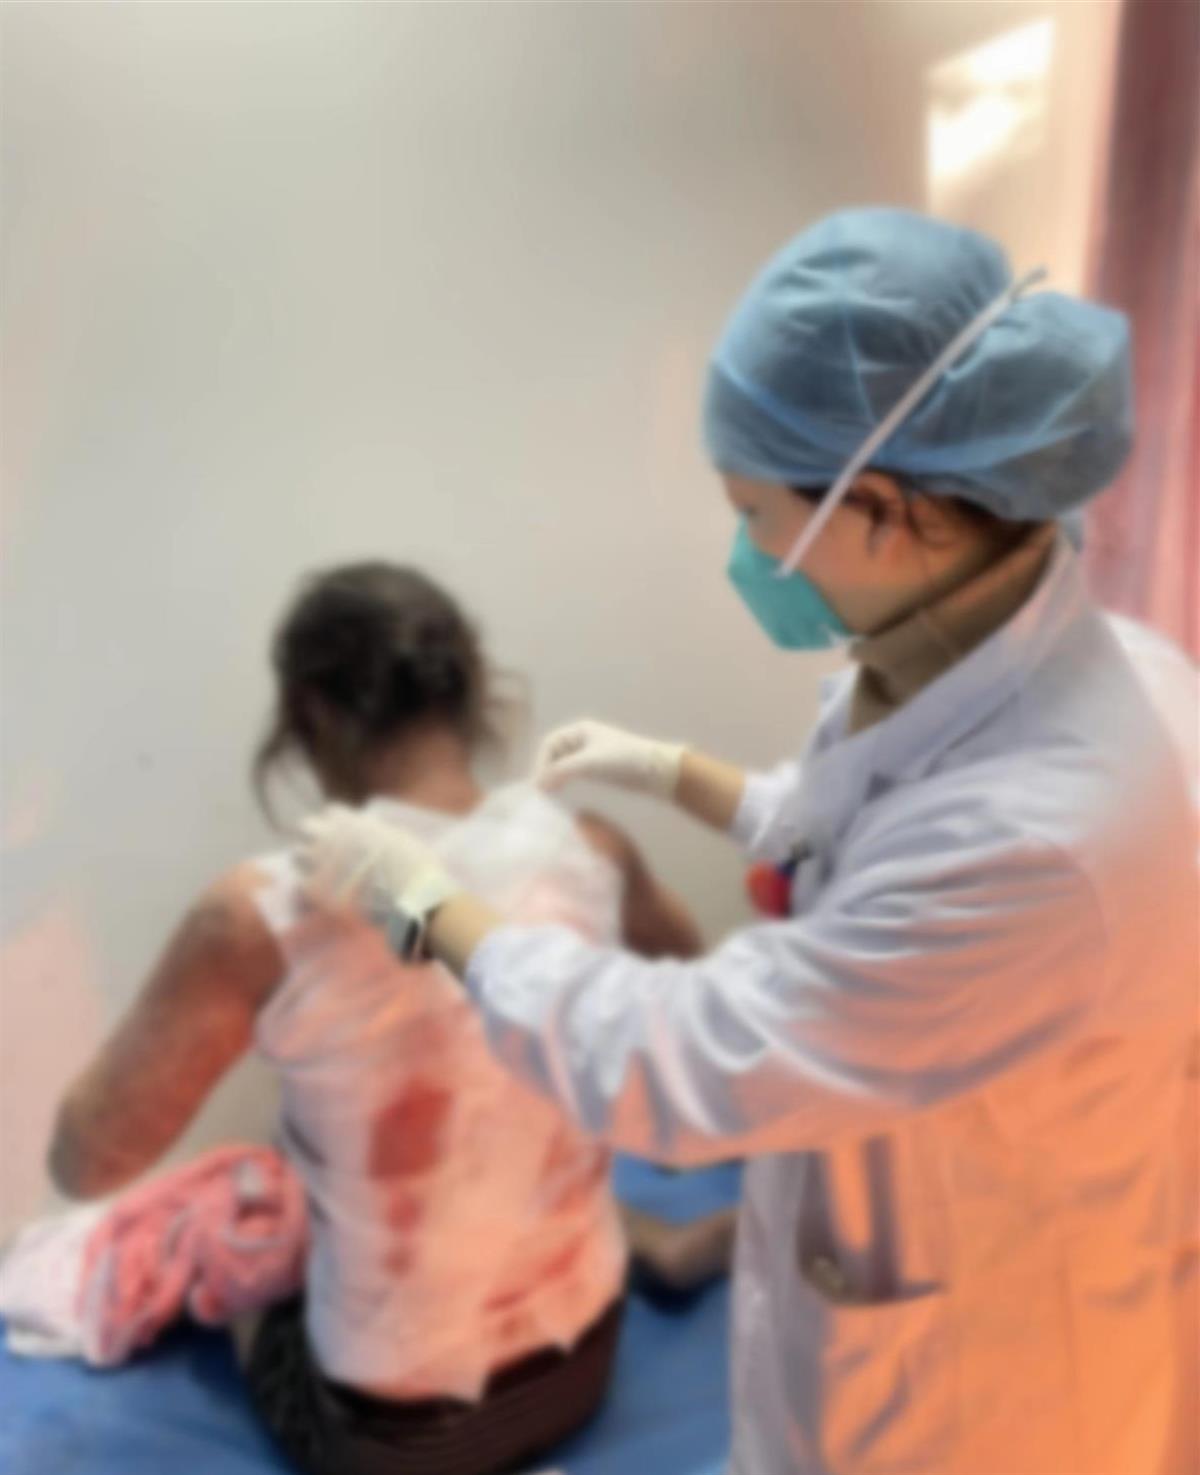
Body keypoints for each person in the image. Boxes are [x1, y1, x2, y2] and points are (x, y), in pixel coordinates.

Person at [300, 210, 1199, 1475]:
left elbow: (679, 1053)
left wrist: (424, 904)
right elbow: (867, 820)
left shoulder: (1044, 839)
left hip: (982, 1402)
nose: (747, 552)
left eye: (753, 512)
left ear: (880, 508)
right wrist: (680, 774)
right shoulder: (996, 658)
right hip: (897, 1240)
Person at [48, 561, 703, 1475]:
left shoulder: (256, 919)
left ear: (307, 714)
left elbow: (86, 1164)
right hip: (586, 1360)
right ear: (476, 689)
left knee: (241, 1260)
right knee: (511, 1132)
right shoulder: (592, 848)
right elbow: (691, 982)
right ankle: (648, 1240)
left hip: (402, 1437)